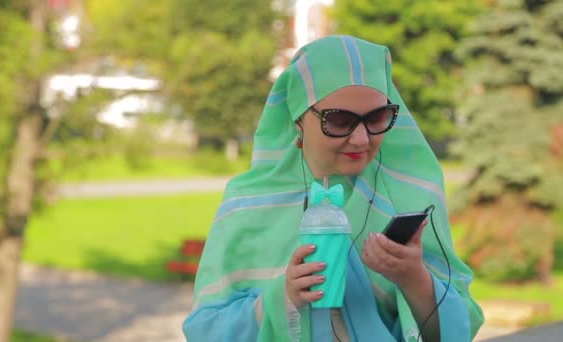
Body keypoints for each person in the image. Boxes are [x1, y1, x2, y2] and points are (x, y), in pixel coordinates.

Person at [183, 35, 484, 341]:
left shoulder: (408, 195)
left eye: (377, 117)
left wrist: (414, 279)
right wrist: (280, 300)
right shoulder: (247, 202)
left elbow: (461, 330)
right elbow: (204, 330)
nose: (362, 139)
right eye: (340, 120)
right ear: (299, 117)